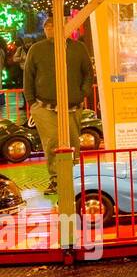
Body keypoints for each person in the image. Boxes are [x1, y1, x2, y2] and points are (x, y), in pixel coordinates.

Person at [23, 17, 95, 195]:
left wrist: (82, 92)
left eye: (54, 25)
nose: (50, 28)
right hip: (43, 106)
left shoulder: (78, 48)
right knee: (52, 143)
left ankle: (74, 178)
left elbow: (88, 72)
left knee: (72, 143)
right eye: (47, 26)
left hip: (72, 106)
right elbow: (28, 76)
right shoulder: (37, 49)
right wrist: (32, 103)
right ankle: (56, 180)